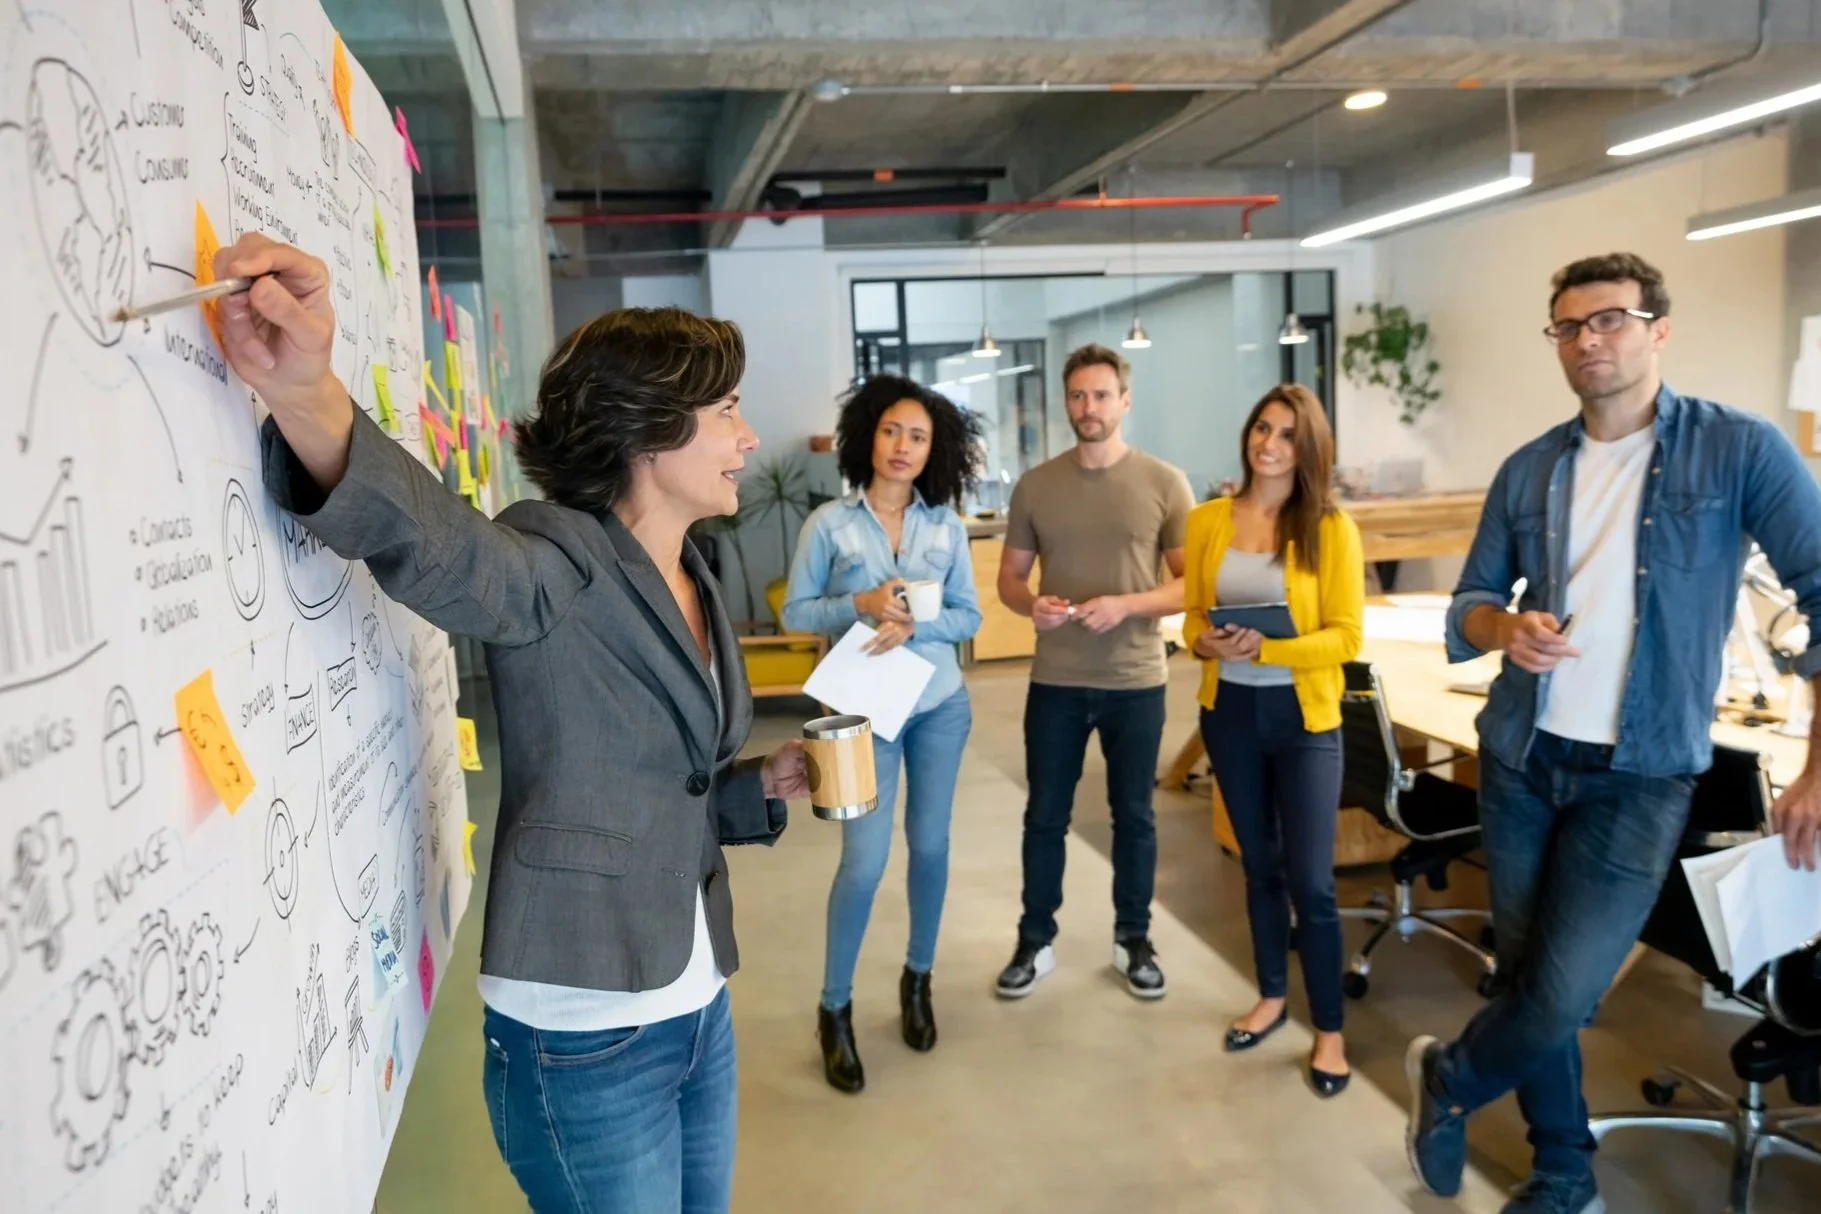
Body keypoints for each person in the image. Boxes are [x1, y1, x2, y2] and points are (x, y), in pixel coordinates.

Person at [217, 232, 811, 1214]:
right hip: (586, 1035)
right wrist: (309, 395)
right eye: (727, 411)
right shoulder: (558, 556)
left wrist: (761, 783)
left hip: (695, 999)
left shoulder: (692, 570)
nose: (748, 437)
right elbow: (447, 552)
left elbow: (660, 782)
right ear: (649, 431)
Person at [1405, 252, 1821, 1214]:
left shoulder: (1738, 450)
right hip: (1519, 757)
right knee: (1520, 976)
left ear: (1656, 330)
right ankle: (1561, 1173)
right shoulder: (1530, 467)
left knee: (1560, 996)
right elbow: (1466, 601)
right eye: (1567, 327)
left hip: (1638, 777)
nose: (1588, 340)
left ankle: (1453, 1080)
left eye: (1610, 320)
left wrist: (1812, 768)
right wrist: (1501, 629)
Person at [782, 374, 983, 1094]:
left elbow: (970, 618)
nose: (903, 447)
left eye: (919, 436)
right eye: (893, 431)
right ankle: (833, 1008)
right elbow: (794, 614)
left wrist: (917, 623)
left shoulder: (946, 527)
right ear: (868, 434)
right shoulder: (828, 526)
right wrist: (857, 605)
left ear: (936, 451)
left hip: (937, 707)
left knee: (930, 847)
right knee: (862, 865)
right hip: (863, 713)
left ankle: (917, 979)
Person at [993, 343, 1195, 1000]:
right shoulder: (1035, 486)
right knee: (1044, 815)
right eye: (1078, 396)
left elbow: (1192, 586)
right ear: (1066, 402)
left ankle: (1133, 939)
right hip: (1055, 681)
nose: (1088, 407)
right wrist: (1034, 607)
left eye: (1101, 395)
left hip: (1135, 681)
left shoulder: (1164, 483)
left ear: (1124, 401)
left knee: (1133, 815)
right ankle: (1034, 939)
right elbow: (1010, 579)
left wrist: (1126, 606)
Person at [1182, 384, 1363, 1098]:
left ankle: (1328, 1032)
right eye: (1261, 428)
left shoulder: (1329, 528)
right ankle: (1268, 995)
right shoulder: (1206, 521)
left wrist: (1267, 652)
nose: (1268, 444)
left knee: (1312, 884)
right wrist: (1203, 640)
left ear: (1307, 448)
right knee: (1257, 867)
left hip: (1304, 722)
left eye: (1286, 435)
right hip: (1227, 714)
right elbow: (1193, 614)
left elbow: (1347, 637)